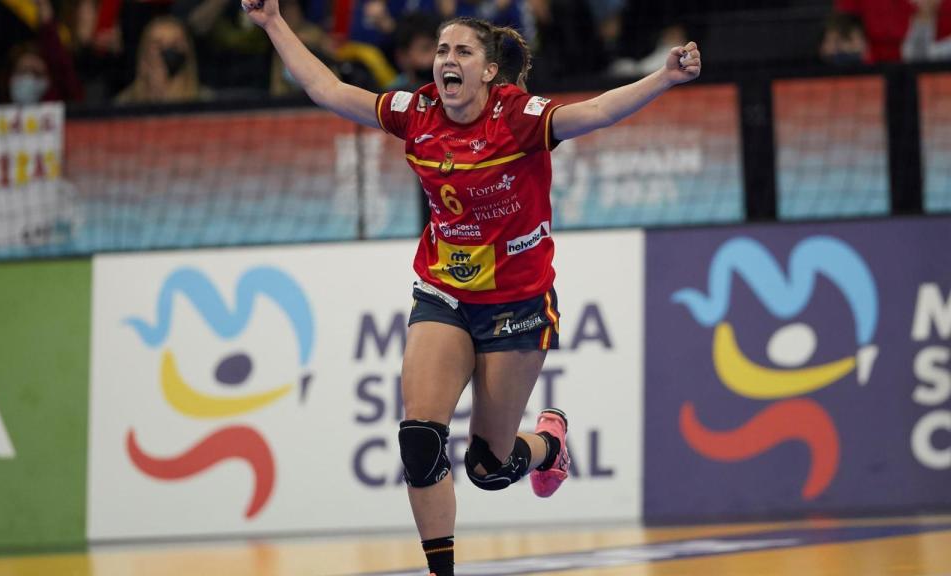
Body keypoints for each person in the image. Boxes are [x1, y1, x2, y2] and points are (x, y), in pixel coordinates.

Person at [241, 0, 700, 573]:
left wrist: (666, 76)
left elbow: (600, 111)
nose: (446, 61)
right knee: (421, 441)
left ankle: (550, 446)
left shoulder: (521, 116)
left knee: (488, 467)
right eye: (441, 51)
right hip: (445, 295)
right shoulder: (418, 112)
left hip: (517, 303)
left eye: (462, 51)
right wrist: (273, 23)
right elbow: (330, 90)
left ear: (488, 71)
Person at [115, 15, 211, 104]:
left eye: (175, 44)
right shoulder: (124, 103)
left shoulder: (207, 102)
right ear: (144, 54)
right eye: (158, 44)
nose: (168, 51)